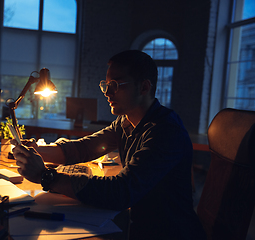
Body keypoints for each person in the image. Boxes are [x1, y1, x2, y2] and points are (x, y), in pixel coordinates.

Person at [13, 50, 206, 239]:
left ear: (144, 88)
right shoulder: (126, 122)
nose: (107, 92)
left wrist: (46, 176)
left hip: (168, 233)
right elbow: (84, 148)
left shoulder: (165, 132)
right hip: (141, 227)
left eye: (115, 84)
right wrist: (36, 151)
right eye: (105, 85)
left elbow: (121, 192)